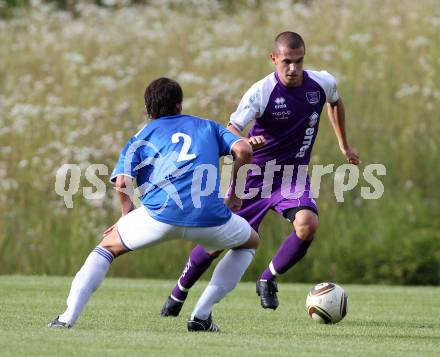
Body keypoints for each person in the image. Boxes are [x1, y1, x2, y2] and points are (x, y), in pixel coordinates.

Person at [161, 31, 360, 316]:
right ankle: (178, 293)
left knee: (307, 225)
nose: (293, 68)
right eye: (286, 62)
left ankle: (267, 278)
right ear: (273, 58)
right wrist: (245, 142)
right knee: (217, 243)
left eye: (299, 61)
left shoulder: (321, 83)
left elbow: (336, 101)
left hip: (292, 175)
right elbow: (231, 129)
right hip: (254, 178)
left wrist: (343, 143)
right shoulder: (261, 92)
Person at [48, 77, 259, 332]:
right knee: (249, 243)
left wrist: (126, 215)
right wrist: (235, 194)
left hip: (158, 217)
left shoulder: (142, 134)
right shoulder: (208, 126)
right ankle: (201, 316)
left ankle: (67, 318)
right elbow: (244, 150)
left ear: (148, 108)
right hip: (210, 218)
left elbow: (123, 181)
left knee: (106, 248)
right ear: (180, 104)